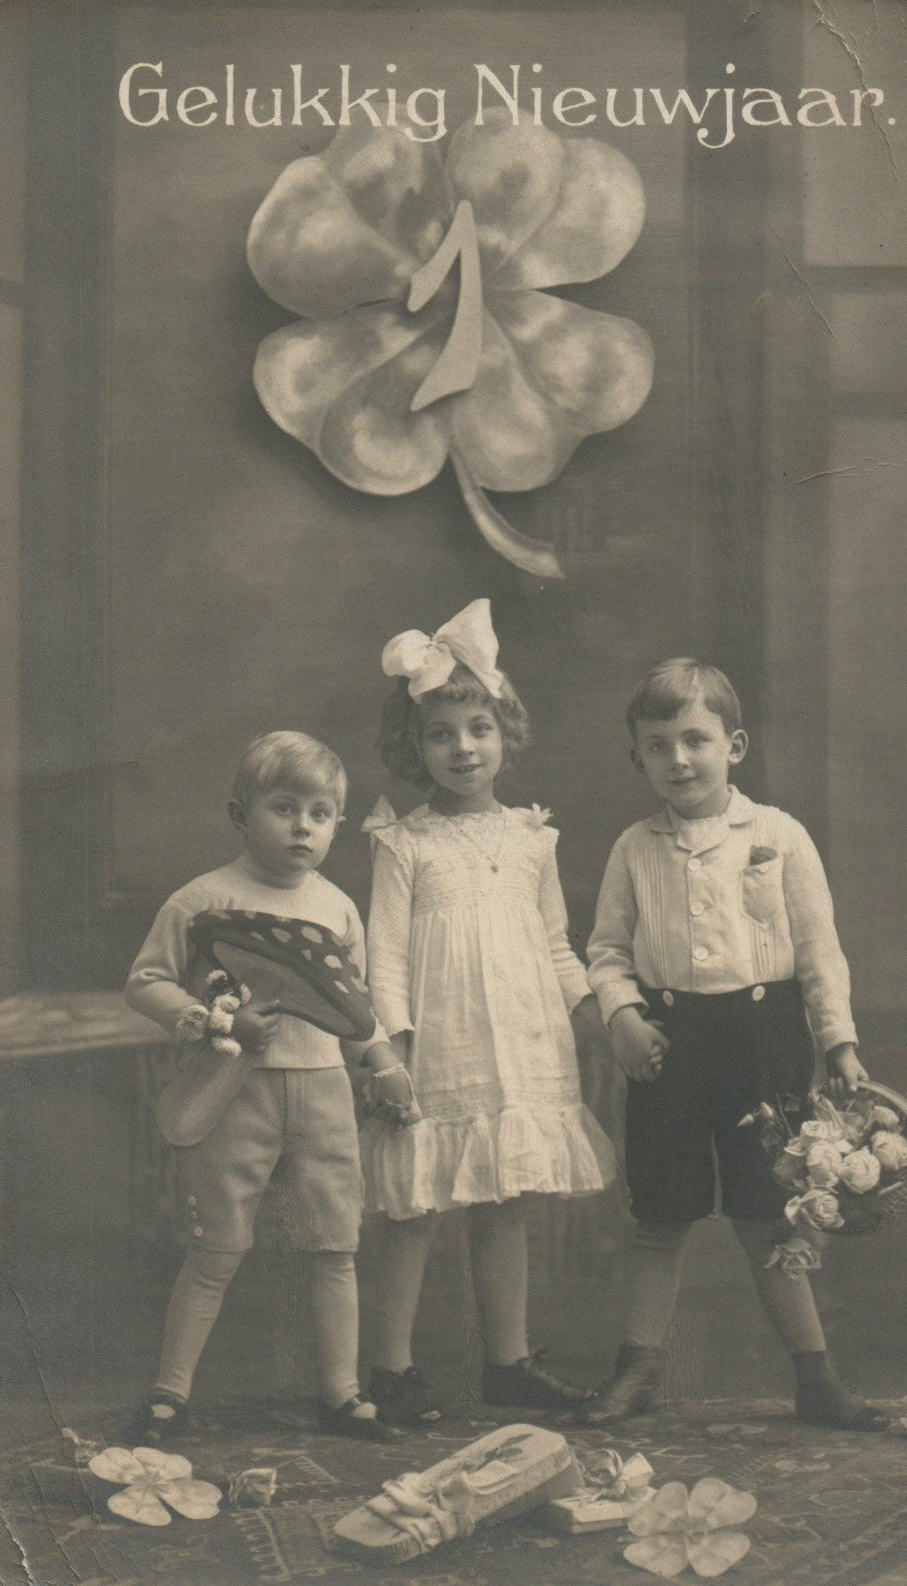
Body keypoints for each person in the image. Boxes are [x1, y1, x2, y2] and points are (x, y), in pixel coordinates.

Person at [581, 658, 885, 1430]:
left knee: (770, 1216)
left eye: (695, 740)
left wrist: (839, 1043)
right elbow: (608, 951)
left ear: (734, 745)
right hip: (667, 1042)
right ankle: (638, 1373)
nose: (678, 760)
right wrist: (621, 1016)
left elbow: (821, 951)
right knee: (660, 1214)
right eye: (657, 747)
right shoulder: (633, 847)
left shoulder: (778, 834)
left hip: (765, 1042)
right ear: (637, 758)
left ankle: (815, 1380)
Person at [361, 599, 617, 1428]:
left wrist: (598, 1013)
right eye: (441, 734)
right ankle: (391, 1368)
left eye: (478, 728)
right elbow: (386, 956)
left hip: (522, 1038)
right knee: (415, 1203)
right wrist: (389, 1051)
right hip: (437, 1043)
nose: (463, 748)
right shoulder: (405, 845)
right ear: (415, 746)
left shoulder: (533, 837)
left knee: (506, 1199)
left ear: (506, 733)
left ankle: (507, 1361)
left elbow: (555, 944)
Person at [124, 731, 415, 1444]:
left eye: (320, 813)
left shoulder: (340, 908)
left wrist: (383, 1063)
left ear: (337, 824)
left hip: (323, 1095)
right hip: (233, 1094)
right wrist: (204, 1019)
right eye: (284, 808)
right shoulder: (202, 900)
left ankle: (343, 1397)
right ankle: (169, 1396)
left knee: (333, 1247)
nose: (303, 827)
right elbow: (145, 981)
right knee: (217, 1247)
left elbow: (356, 1006)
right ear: (239, 814)